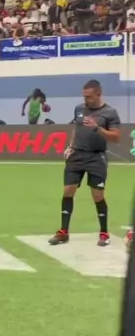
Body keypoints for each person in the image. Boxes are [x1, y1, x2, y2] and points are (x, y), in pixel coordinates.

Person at [49, 80, 120, 247]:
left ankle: (104, 233)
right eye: (84, 96)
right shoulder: (79, 109)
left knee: (97, 195)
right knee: (68, 191)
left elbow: (116, 138)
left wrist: (97, 128)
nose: (85, 99)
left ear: (98, 94)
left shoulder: (110, 112)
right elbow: (77, 128)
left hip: (96, 157)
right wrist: (71, 146)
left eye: (88, 96)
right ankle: (63, 232)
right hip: (77, 156)